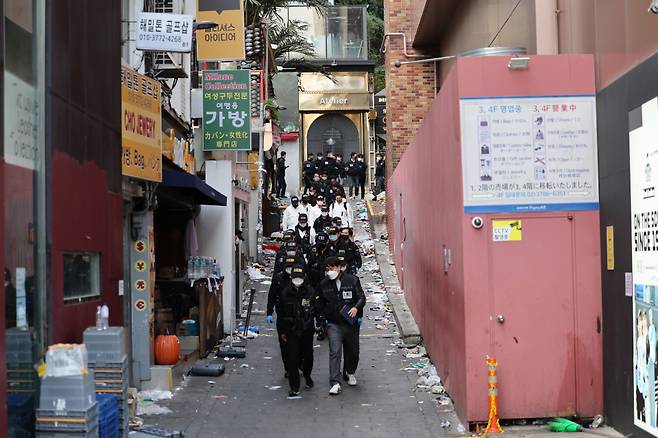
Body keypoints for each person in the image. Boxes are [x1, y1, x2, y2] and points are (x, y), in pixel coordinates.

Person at [317, 256, 365, 395]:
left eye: (331, 268)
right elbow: (318, 303)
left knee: (353, 351)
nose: (329, 271)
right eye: (327, 269)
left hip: (350, 322)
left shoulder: (352, 280)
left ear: (338, 267)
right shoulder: (324, 284)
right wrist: (324, 317)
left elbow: (361, 297)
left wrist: (356, 308)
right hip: (333, 323)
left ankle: (350, 372)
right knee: (335, 351)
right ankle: (335, 381)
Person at [276, 266, 319, 397]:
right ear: (291, 278)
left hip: (307, 330)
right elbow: (281, 313)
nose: (297, 280)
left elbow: (316, 309)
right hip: (291, 330)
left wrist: (319, 323)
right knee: (292, 359)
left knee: (308, 356)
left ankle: (307, 375)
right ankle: (294, 387)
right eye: (295, 278)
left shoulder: (310, 292)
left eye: (300, 278)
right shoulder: (285, 293)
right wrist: (283, 331)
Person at [266, 257, 297, 377]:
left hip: (298, 316)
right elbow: (272, 295)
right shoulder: (278, 278)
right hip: (282, 315)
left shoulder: (300, 278)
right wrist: (269, 312)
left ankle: (298, 363)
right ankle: (288, 367)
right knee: (284, 344)